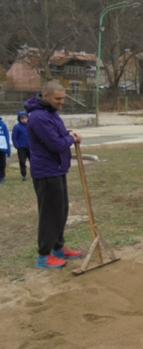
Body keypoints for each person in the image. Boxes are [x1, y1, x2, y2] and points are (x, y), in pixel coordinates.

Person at [25, 81, 83, 269]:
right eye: (58, 99)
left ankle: (58, 247)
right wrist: (70, 139)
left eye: (63, 98)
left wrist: (68, 134)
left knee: (61, 210)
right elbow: (56, 144)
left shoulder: (50, 114)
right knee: (50, 214)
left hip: (57, 169)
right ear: (46, 96)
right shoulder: (38, 117)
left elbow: (58, 135)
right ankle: (43, 255)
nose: (61, 102)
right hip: (46, 172)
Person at [11, 110, 31, 181]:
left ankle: (34, 173)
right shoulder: (17, 127)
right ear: (19, 119)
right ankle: (23, 175)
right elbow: (14, 137)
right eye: (22, 118)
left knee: (33, 161)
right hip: (22, 148)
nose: (24, 120)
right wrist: (17, 146)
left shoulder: (30, 126)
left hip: (31, 147)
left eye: (25, 118)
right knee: (22, 161)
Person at [0, 115, 11, 183]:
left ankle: (2, 177)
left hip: (2, 148)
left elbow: (7, 137)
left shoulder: (3, 125)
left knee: (2, 163)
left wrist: (8, 149)